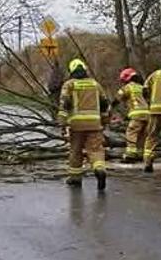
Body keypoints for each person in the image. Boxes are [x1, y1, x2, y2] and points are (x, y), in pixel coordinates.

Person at [58, 59, 111, 190]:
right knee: (96, 149)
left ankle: (75, 178)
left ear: (71, 71)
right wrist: (105, 121)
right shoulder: (95, 84)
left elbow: (64, 104)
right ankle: (99, 169)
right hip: (95, 124)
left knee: (75, 150)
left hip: (76, 125)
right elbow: (104, 104)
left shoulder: (69, 85)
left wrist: (62, 124)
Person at [114, 67, 149, 164]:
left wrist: (110, 107)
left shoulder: (127, 87)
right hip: (148, 114)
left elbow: (118, 98)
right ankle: (141, 154)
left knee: (131, 133)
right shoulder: (142, 87)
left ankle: (131, 154)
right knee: (142, 135)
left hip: (137, 114)